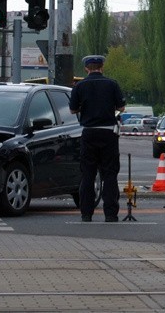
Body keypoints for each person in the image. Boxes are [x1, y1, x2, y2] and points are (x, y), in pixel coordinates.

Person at [69, 55, 126, 222]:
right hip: (108, 133)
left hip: (88, 132)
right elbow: (121, 107)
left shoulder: (79, 86)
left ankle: (86, 213)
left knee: (87, 174)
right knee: (109, 174)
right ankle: (110, 214)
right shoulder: (112, 84)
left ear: (87, 68)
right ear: (102, 67)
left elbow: (73, 110)